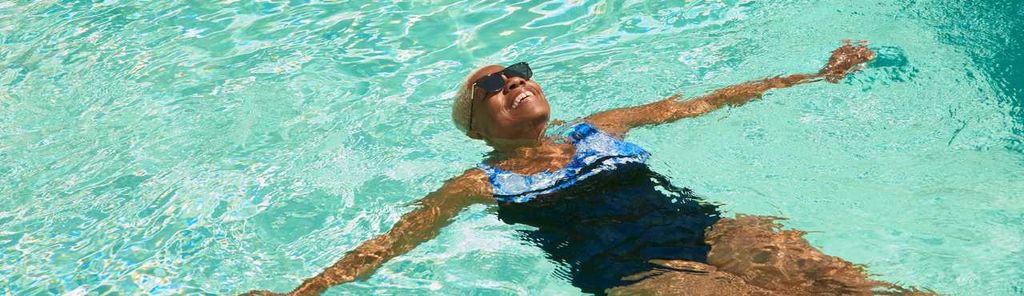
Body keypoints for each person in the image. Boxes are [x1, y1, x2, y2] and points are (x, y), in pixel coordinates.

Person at [245, 41, 926, 295]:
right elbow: (390, 244)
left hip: (708, 231)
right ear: (477, 127)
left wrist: (813, 77)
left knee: (850, 286)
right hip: (638, 273)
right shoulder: (479, 183)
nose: (513, 81)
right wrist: (304, 294)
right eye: (492, 85)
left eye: (517, 72)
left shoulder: (601, 127)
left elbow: (708, 100)